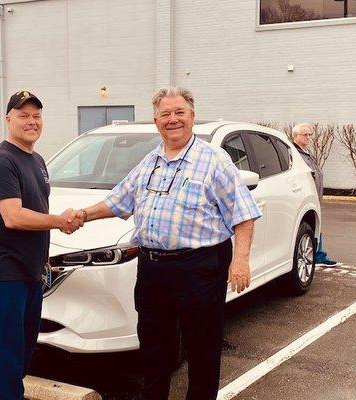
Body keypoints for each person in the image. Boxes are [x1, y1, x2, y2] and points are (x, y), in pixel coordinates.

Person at [67, 87, 262, 400]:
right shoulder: (151, 161)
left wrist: (240, 261)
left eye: (179, 113)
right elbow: (119, 201)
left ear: (191, 117)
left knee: (202, 346)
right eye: (165, 114)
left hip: (199, 267)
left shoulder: (214, 161)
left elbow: (243, 215)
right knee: (153, 344)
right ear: (156, 121)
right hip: (152, 268)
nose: (173, 120)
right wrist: (80, 215)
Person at [0, 90, 83, 400]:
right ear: (8, 119)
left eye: (36, 116)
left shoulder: (36, 159)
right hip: (6, 271)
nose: (31, 121)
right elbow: (13, 217)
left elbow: (35, 209)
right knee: (6, 352)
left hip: (30, 270)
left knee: (24, 346)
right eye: (23, 115)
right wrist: (60, 221)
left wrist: (43, 260)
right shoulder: (1, 160)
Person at [292, 123, 341, 267]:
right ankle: (315, 255)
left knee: (316, 225)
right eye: (305, 135)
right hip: (305, 196)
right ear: (296, 136)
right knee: (308, 226)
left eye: (309, 135)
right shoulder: (295, 154)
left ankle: (318, 255)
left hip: (314, 196)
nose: (308, 137)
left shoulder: (306, 151)